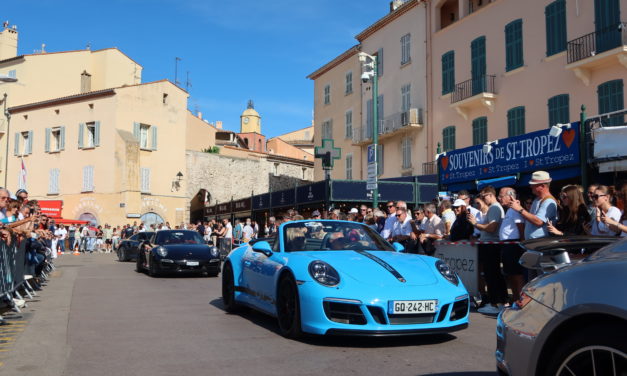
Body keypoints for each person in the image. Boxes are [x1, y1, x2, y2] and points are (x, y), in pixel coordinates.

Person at [467, 185, 506, 314]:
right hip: (489, 244)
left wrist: (475, 224)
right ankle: (498, 302)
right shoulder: (494, 208)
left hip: (491, 245)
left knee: (492, 274)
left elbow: (492, 228)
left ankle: (495, 304)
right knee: (492, 274)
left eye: (484, 196)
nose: (483, 199)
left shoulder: (494, 208)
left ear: (490, 195)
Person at [509, 171, 558, 241]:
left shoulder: (548, 201)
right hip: (534, 244)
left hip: (541, 244)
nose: (531, 186)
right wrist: (519, 207)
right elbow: (531, 218)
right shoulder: (537, 200)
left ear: (542, 186)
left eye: (534, 184)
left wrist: (520, 209)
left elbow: (539, 222)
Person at [497, 187, 525, 303]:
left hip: (514, 246)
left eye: (501, 196)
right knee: (510, 274)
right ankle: (515, 299)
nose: (499, 198)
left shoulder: (514, 210)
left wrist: (523, 245)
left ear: (510, 197)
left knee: (516, 275)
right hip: (508, 245)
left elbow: (521, 227)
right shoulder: (509, 210)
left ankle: (520, 300)